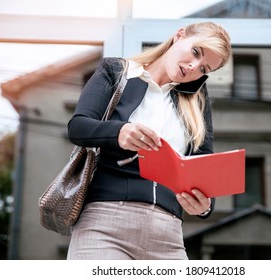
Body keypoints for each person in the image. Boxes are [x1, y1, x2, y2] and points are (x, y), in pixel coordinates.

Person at [66, 21, 231, 260]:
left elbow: (201, 165)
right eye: (196, 52)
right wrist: (119, 132)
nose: (194, 67)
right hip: (104, 225)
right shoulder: (117, 71)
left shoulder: (197, 100)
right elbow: (78, 127)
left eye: (204, 69)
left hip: (168, 234)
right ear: (179, 35)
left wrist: (205, 206)